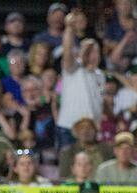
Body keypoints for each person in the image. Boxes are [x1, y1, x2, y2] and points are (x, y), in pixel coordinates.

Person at [56, 11, 104, 148]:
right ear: (80, 53)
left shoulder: (100, 75)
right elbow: (67, 51)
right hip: (69, 128)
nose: (93, 55)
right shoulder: (73, 69)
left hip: (92, 129)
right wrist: (69, 28)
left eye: (96, 51)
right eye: (88, 51)